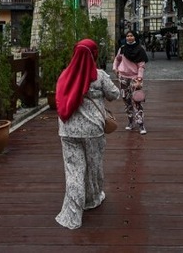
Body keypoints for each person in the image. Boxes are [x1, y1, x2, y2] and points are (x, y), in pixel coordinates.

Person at [55, 38, 120, 230]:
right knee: (93, 167)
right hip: (93, 130)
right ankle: (92, 199)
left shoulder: (65, 74)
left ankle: (73, 213)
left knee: (74, 170)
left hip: (67, 129)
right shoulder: (98, 76)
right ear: (94, 55)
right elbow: (114, 94)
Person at [112, 29, 148, 134]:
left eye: (131, 36)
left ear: (135, 37)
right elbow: (117, 59)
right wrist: (115, 68)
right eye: (127, 36)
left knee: (137, 101)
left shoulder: (140, 50)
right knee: (126, 100)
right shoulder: (122, 49)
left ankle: (141, 124)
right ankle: (130, 121)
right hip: (123, 78)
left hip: (134, 78)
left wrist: (139, 79)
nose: (129, 37)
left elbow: (141, 66)